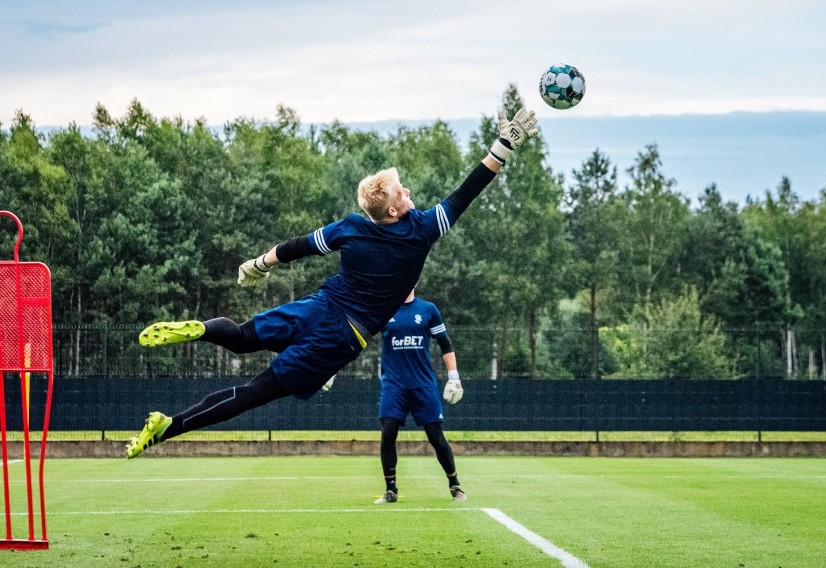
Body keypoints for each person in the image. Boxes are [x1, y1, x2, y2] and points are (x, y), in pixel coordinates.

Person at [125, 108, 539, 459]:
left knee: (240, 337)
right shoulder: (421, 230)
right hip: (342, 337)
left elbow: (300, 246)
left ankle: (199, 329)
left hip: (319, 306)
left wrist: (259, 263)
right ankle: (166, 426)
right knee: (253, 393)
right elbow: (467, 191)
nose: (408, 190)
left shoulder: (352, 228)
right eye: (402, 190)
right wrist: (503, 148)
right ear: (394, 209)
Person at [372, 288, 465, 504]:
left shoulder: (428, 309)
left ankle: (455, 484)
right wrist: (332, 366)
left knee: (435, 436)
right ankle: (390, 489)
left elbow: (445, 344)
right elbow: (360, 339)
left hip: (423, 384)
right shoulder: (384, 307)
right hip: (393, 384)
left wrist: (454, 377)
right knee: (388, 432)